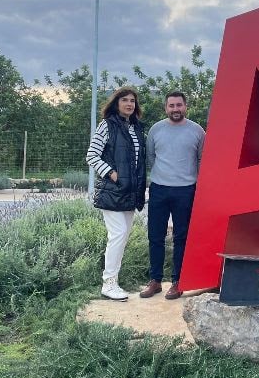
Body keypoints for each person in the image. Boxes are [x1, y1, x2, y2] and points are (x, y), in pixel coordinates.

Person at [139, 91, 205, 300]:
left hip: (186, 190)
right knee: (155, 236)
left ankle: (178, 282)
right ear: (165, 108)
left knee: (181, 238)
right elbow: (151, 158)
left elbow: (202, 159)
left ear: (186, 106)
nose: (175, 109)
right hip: (159, 189)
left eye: (179, 105)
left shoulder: (197, 131)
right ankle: (155, 281)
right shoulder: (155, 130)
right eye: (171, 106)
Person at [86, 86, 147, 301]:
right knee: (118, 234)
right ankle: (108, 284)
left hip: (131, 193)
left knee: (122, 238)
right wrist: (111, 173)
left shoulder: (137, 128)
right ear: (116, 103)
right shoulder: (107, 125)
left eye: (132, 100)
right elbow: (92, 155)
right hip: (112, 192)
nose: (129, 104)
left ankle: (114, 281)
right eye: (124, 100)